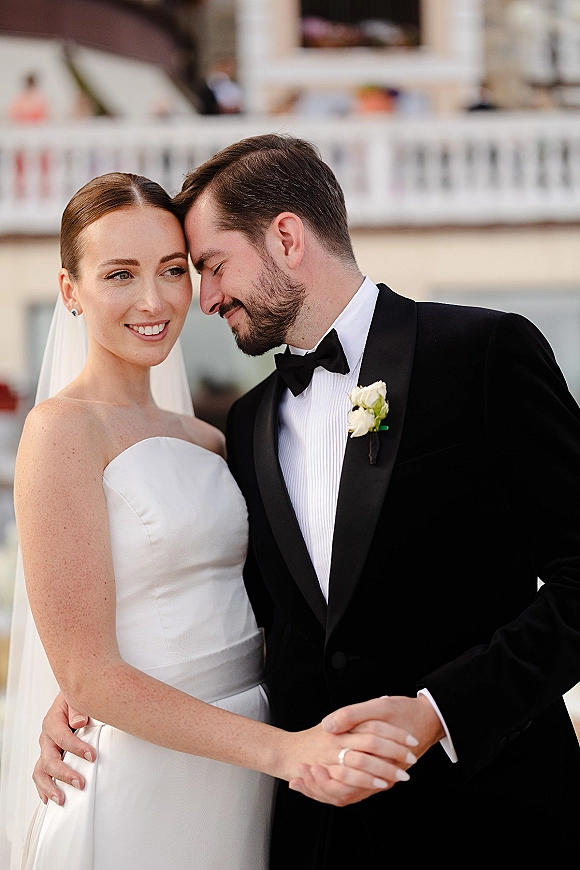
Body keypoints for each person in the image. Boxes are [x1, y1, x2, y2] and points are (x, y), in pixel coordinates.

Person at [37, 136, 580, 864]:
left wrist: (440, 714)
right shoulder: (248, 422)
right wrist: (92, 689)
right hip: (304, 831)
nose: (201, 299)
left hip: (492, 818)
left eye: (207, 266)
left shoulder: (484, 353)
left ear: (287, 238)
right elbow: (246, 610)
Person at [0, 171, 416, 870]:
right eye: (119, 275)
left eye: (172, 270)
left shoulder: (215, 439)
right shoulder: (60, 432)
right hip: (150, 772)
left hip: (242, 765)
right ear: (70, 291)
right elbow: (89, 675)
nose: (153, 299)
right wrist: (287, 751)